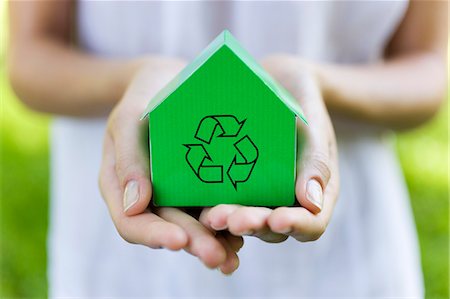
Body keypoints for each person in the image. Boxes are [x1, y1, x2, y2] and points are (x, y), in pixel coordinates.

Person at [8, 1, 446, 297]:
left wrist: (316, 84)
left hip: (344, 257)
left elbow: (430, 65)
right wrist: (137, 79)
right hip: (123, 260)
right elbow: (29, 55)